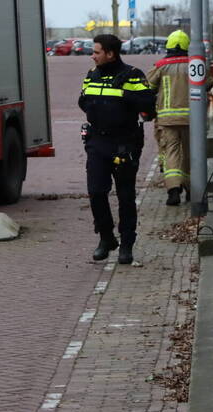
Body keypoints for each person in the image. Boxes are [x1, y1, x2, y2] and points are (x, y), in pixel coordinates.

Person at [78, 34, 156, 265]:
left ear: (110, 53)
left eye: (97, 52)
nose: (92, 56)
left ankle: (127, 244)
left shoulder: (133, 75)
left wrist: (123, 96)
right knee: (96, 191)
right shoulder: (92, 75)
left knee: (125, 195)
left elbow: (148, 107)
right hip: (98, 142)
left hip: (124, 142)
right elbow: (83, 100)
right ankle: (106, 237)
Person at [147, 30, 192, 206]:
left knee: (171, 152)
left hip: (167, 119)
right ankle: (191, 190)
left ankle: (173, 190)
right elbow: (208, 83)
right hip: (191, 120)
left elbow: (147, 87)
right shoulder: (195, 64)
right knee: (189, 154)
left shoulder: (160, 66)